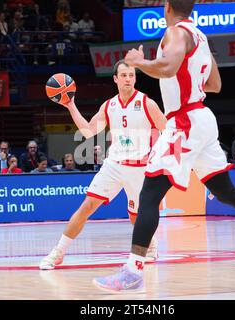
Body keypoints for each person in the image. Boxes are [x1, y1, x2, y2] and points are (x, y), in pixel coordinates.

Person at [92, 0, 235, 293]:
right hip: (202, 118)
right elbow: (215, 84)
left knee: (149, 192)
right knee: (225, 191)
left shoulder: (175, 32)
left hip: (183, 122)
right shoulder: (200, 35)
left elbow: (169, 67)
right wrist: (187, 78)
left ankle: (133, 271)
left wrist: (139, 63)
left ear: (168, 6)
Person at [39, 60, 167, 270]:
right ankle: (58, 252)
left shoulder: (146, 103)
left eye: (131, 75)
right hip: (114, 165)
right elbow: (88, 132)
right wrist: (71, 105)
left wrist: (164, 158)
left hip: (140, 169)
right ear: (115, 78)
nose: (128, 79)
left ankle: (150, 243)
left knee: (136, 217)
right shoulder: (109, 106)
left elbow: (167, 130)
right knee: (87, 206)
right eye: (124, 75)